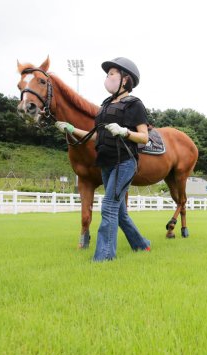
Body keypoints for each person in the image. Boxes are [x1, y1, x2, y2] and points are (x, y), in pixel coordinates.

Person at [55, 57, 151, 261]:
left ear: (125, 79)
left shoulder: (135, 105)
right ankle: (142, 245)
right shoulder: (105, 105)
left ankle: (104, 257)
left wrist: (125, 132)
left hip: (124, 162)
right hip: (106, 162)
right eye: (108, 74)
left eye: (112, 73)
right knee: (120, 213)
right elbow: (97, 135)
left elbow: (144, 137)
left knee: (108, 207)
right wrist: (72, 129)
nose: (108, 77)